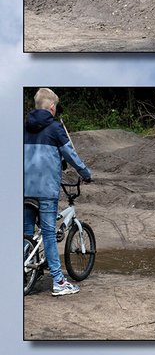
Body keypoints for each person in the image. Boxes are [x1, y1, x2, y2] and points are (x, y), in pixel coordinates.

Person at [24, 87, 94, 296]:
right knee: (48, 233)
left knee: (27, 233)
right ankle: (59, 281)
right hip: (46, 189)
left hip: (24, 188)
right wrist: (86, 173)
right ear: (52, 107)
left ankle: (25, 271)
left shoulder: (24, 127)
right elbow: (70, 154)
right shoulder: (55, 128)